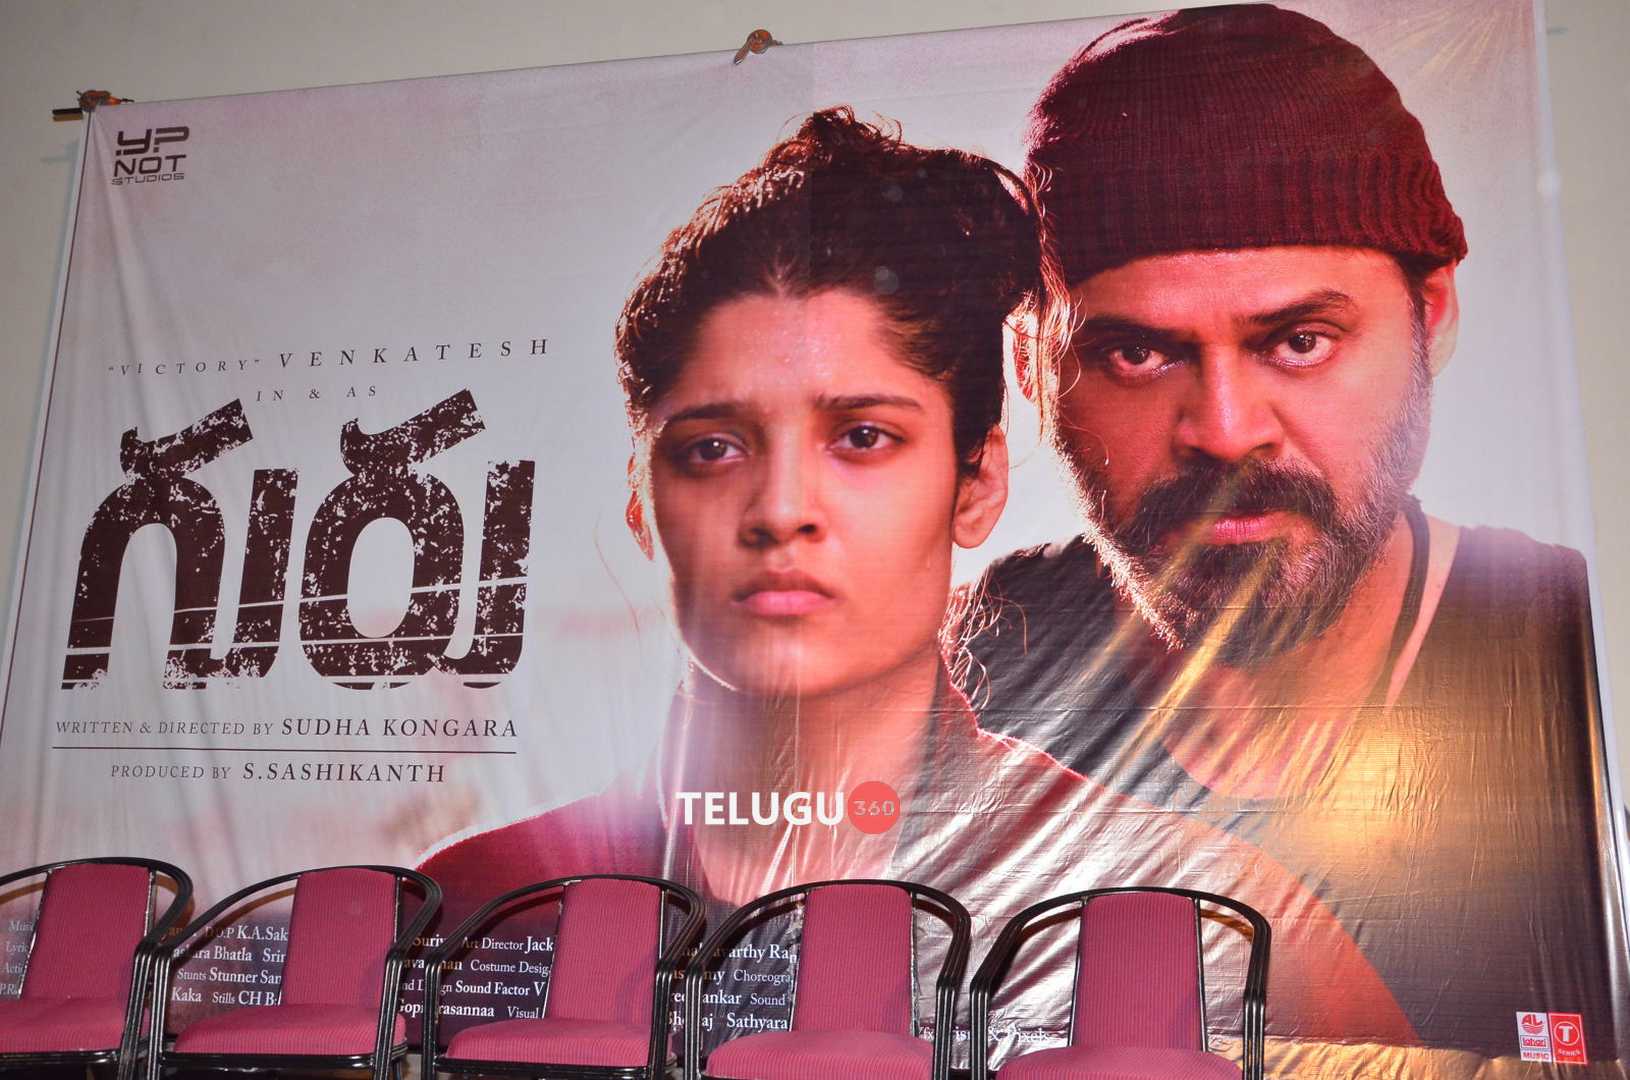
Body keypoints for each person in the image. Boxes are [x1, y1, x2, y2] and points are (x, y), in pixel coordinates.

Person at [416, 107, 1399, 1069]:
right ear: (642, 502)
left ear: (977, 484)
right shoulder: (481, 908)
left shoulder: (1190, 914)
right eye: (713, 448)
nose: (781, 509)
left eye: (862, 437)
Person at [962, 4, 1628, 1065]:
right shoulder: (968, 667)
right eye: (1138, 354)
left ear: (1432, 317)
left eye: (1301, 340)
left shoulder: (1576, 647)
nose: (1227, 431)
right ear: (1035, 368)